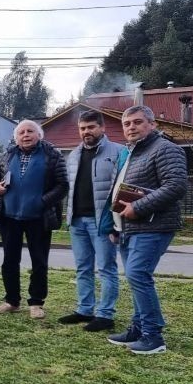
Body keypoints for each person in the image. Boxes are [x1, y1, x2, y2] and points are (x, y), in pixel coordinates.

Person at [107, 105, 187, 355]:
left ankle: (153, 335)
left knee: (138, 274)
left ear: (152, 124)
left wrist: (139, 207)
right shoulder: (132, 153)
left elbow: (176, 186)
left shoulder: (165, 149)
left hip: (154, 225)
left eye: (137, 122)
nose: (131, 127)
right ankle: (138, 329)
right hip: (128, 227)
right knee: (135, 277)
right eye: (127, 123)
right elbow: (120, 189)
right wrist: (114, 224)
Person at [0, 120, 68, 319]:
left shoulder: (52, 155)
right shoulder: (7, 155)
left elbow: (62, 185)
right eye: (21, 132)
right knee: (9, 261)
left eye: (30, 131)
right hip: (10, 216)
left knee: (39, 261)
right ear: (16, 137)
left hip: (39, 217)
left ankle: (36, 303)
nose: (26, 135)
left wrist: (42, 201)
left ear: (39, 135)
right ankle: (11, 301)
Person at [59, 110, 125, 332]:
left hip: (103, 223)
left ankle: (105, 315)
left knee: (106, 268)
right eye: (82, 128)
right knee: (82, 268)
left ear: (102, 128)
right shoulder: (74, 155)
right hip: (77, 221)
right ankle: (85, 309)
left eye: (91, 127)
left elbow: (122, 190)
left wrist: (117, 225)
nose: (86, 131)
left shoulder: (118, 152)